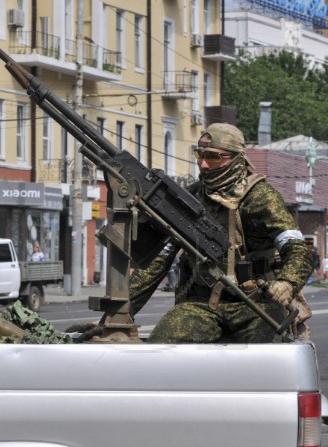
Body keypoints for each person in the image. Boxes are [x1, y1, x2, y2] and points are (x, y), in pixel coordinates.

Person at [129, 123, 314, 343]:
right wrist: (121, 312)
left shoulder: (260, 197)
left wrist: (287, 283)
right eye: (200, 154)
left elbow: (297, 249)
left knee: (268, 356)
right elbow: (158, 259)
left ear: (236, 158)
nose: (203, 164)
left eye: (214, 157)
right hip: (202, 304)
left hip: (257, 304)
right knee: (162, 345)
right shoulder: (190, 197)